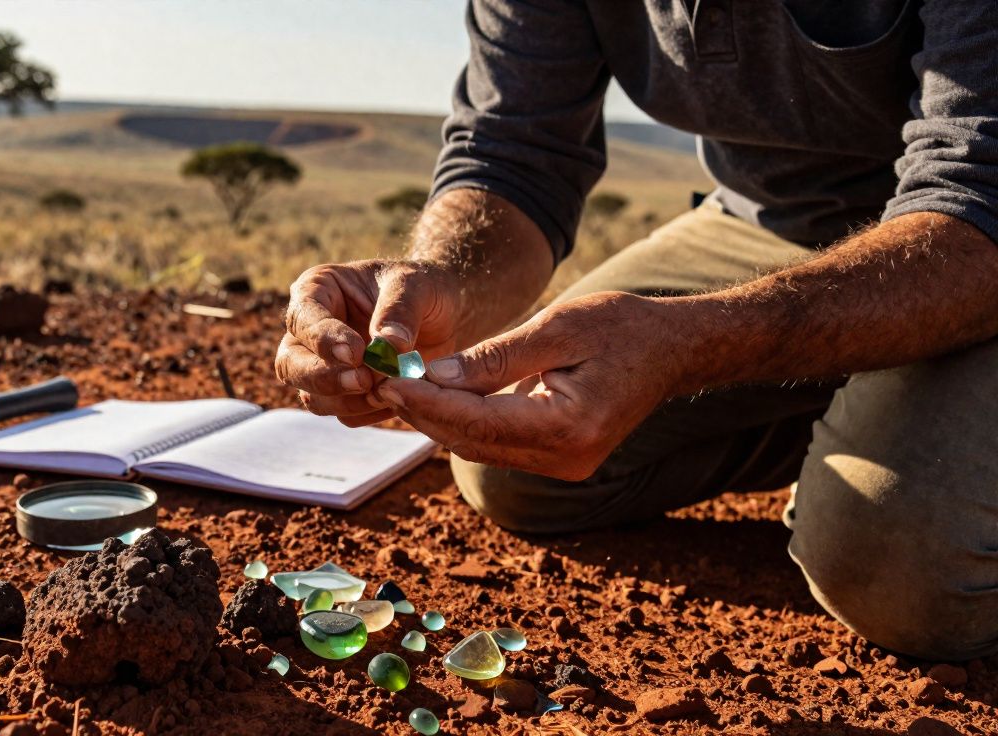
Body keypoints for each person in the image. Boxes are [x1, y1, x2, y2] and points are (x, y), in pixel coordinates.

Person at [275, 0, 998, 661]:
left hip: (970, 240)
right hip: (774, 220)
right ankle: (860, 411)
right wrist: (436, 278)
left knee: (899, 563)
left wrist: (694, 343)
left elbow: (979, 192)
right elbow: (514, 157)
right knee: (514, 460)